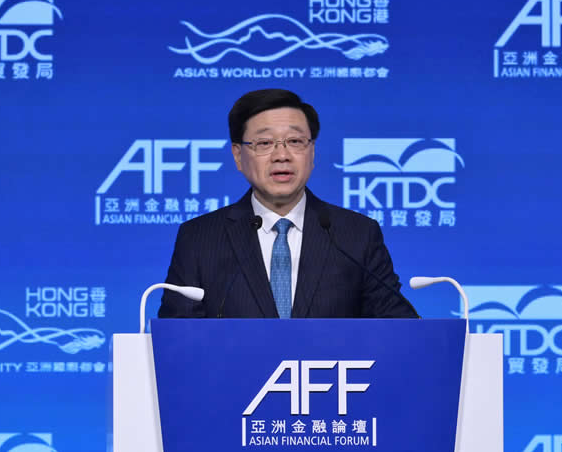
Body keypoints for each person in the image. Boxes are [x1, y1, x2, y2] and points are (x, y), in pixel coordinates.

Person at [157, 88, 417, 318]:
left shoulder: (357, 235)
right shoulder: (200, 238)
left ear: (312, 151)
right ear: (238, 155)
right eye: (264, 143)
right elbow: (177, 337)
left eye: (295, 141)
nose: (281, 155)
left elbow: (398, 327)